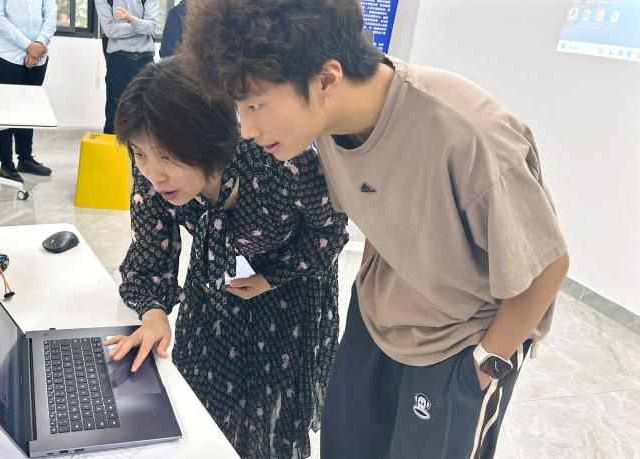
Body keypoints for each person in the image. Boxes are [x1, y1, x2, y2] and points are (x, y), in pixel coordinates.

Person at [179, 1, 570, 458]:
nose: (246, 129)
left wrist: (482, 367)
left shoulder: (467, 133)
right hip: (378, 323)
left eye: (255, 105)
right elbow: (381, 213)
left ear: (327, 79)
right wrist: (365, 300)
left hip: (458, 344)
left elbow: (547, 267)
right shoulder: (324, 125)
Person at [106, 57, 349, 458]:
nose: (153, 173)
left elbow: (330, 234)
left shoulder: (283, 163)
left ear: (209, 141)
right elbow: (149, 252)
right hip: (214, 287)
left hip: (289, 298)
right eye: (139, 153)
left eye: (167, 156)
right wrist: (153, 314)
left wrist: (272, 277)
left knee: (267, 424)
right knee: (202, 407)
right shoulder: (151, 175)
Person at [0, 0, 56, 182]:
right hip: (6, 53)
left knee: (29, 109)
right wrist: (28, 46)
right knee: (6, 110)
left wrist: (39, 43)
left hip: (38, 54)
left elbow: (50, 11)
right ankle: (6, 164)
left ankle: (25, 158)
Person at [94, 0, 158, 134]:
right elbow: (109, 30)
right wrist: (139, 26)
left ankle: (141, 148)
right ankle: (111, 148)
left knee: (146, 113)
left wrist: (130, 19)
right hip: (118, 61)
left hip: (144, 61)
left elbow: (151, 26)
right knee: (114, 114)